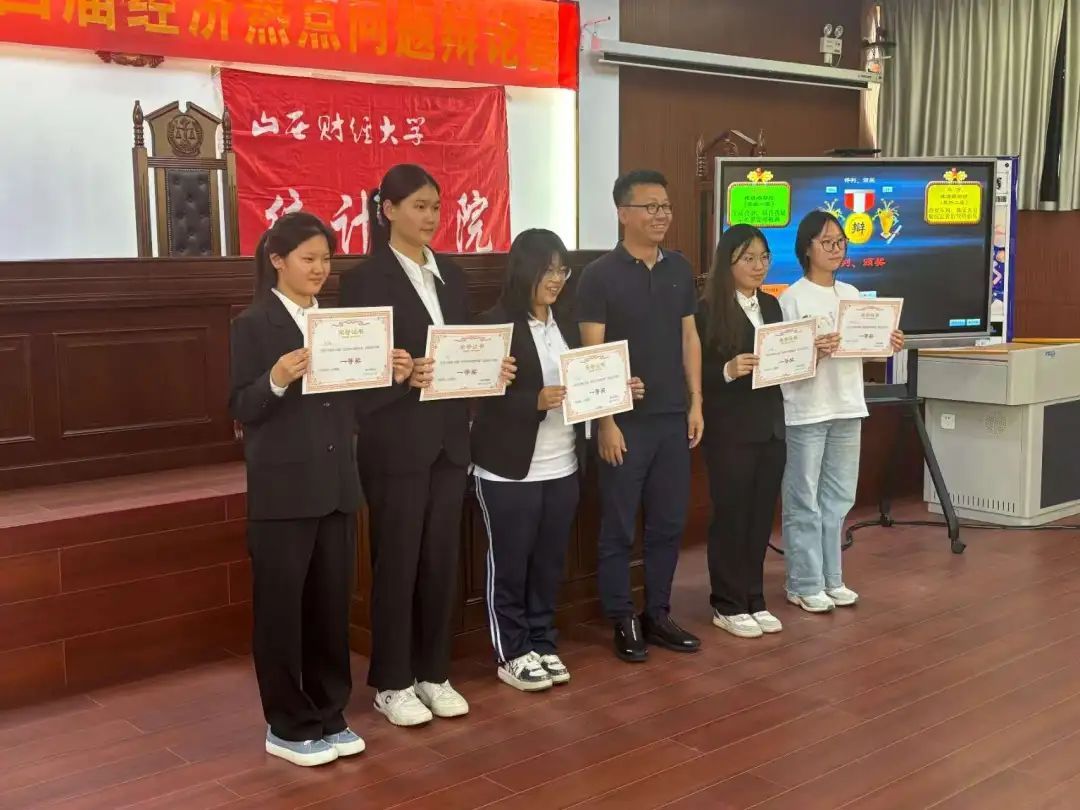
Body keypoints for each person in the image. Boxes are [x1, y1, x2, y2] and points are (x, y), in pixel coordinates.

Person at [338, 164, 514, 726]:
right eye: (418, 205)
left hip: (448, 441)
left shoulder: (452, 277)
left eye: (436, 206)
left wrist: (490, 370)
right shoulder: (365, 281)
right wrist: (400, 375)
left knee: (441, 561)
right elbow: (354, 368)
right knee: (397, 562)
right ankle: (392, 681)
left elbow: (461, 350)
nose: (430, 217)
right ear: (387, 210)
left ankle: (434, 673)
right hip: (395, 440)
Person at [229, 212, 408, 766]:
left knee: (331, 607)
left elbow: (355, 406)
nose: (319, 269)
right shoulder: (253, 324)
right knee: (282, 613)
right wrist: (276, 379)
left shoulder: (337, 324)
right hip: (283, 491)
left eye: (326, 259)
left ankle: (330, 713)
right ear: (277, 261)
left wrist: (392, 375)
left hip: (336, 487)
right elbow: (241, 406)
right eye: (308, 259)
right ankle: (287, 724)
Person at [471, 229, 645, 690]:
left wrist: (618, 389)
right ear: (522, 270)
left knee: (549, 563)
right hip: (508, 470)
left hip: (563, 464)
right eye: (547, 269)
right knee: (510, 565)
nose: (555, 279)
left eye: (562, 270)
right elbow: (476, 400)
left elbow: (586, 384)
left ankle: (542, 642)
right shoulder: (494, 325)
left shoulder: (566, 324)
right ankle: (512, 652)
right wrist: (533, 400)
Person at [576, 169, 704, 662]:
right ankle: (621, 617)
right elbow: (594, 354)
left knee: (668, 523)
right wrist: (606, 421)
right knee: (619, 526)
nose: (661, 215)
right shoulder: (598, 276)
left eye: (665, 206)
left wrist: (696, 402)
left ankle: (659, 613)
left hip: (672, 417)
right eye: (650, 207)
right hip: (624, 423)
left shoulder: (679, 268)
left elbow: (689, 337)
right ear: (623, 213)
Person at [779, 210, 904, 613]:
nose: (836, 249)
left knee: (838, 498)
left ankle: (832, 579)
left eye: (840, 242)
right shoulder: (791, 298)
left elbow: (865, 351)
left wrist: (887, 342)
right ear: (807, 248)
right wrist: (812, 350)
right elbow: (781, 360)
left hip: (848, 405)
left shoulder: (851, 294)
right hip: (806, 409)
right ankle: (803, 583)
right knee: (804, 500)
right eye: (827, 242)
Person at [696, 224, 786, 639]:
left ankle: (754, 597)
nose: (758, 266)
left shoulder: (771, 306)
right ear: (728, 262)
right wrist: (728, 370)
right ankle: (727, 602)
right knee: (731, 515)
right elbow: (693, 372)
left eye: (764, 258)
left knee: (760, 518)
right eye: (748, 258)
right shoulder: (707, 310)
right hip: (730, 429)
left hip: (770, 426)